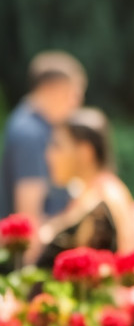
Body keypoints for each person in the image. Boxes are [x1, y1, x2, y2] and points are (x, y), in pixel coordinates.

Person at [35, 107, 134, 268]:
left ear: (85, 151)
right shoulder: (89, 191)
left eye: (57, 146)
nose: (49, 155)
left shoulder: (104, 198)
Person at [1, 51, 86, 221]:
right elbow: (29, 215)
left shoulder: (37, 126)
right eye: (73, 94)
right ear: (51, 89)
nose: (77, 103)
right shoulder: (29, 134)